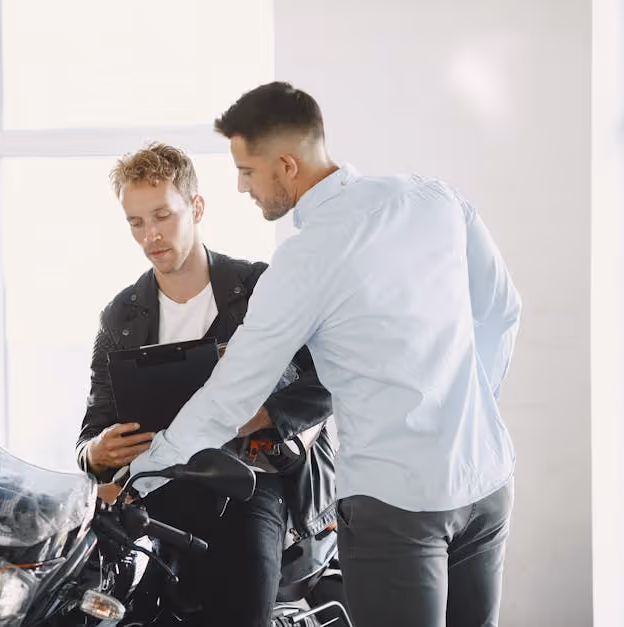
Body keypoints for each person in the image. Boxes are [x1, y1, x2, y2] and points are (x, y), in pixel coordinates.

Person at [128, 83, 522, 627]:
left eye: (247, 171)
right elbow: (502, 311)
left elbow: (230, 395)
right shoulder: (433, 198)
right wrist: (476, 405)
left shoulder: (307, 259)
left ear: (286, 166)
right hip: (487, 481)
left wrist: (143, 473)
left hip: (397, 506)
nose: (241, 187)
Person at [75, 142, 337, 627]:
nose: (151, 235)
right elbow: (93, 430)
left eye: (163, 216)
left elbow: (331, 376)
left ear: (196, 208)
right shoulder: (120, 317)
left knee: (241, 601)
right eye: (136, 222)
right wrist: (96, 452)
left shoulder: (259, 288)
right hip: (158, 485)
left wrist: (265, 415)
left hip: (252, 484)